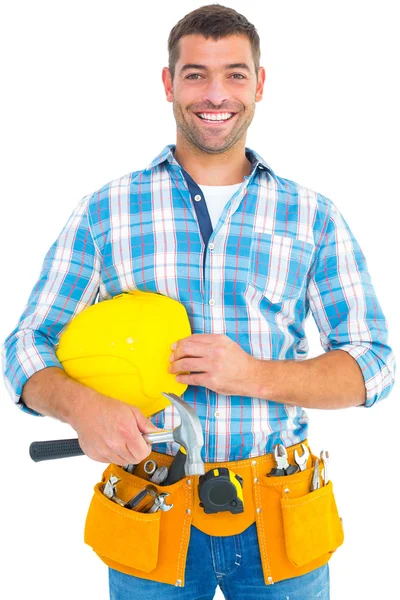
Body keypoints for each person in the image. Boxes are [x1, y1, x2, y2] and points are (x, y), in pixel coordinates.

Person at [2, 4, 396, 600]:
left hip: (279, 513)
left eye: (235, 74)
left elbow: (374, 365)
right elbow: (26, 346)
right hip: (149, 508)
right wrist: (84, 408)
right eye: (195, 74)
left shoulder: (312, 216)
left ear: (260, 85)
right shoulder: (106, 209)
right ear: (169, 83)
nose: (216, 93)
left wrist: (254, 375)